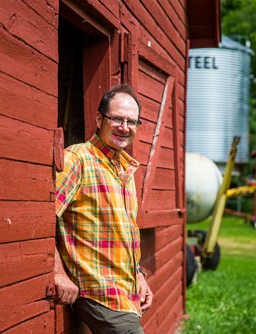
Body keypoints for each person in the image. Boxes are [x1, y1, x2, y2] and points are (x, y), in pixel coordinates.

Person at [54, 84, 153, 333]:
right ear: (99, 119)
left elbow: (123, 234)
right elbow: (43, 217)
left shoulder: (125, 170)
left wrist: (138, 274)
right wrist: (57, 272)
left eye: (132, 121)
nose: (124, 127)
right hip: (99, 295)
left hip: (126, 295)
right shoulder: (77, 160)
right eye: (117, 118)